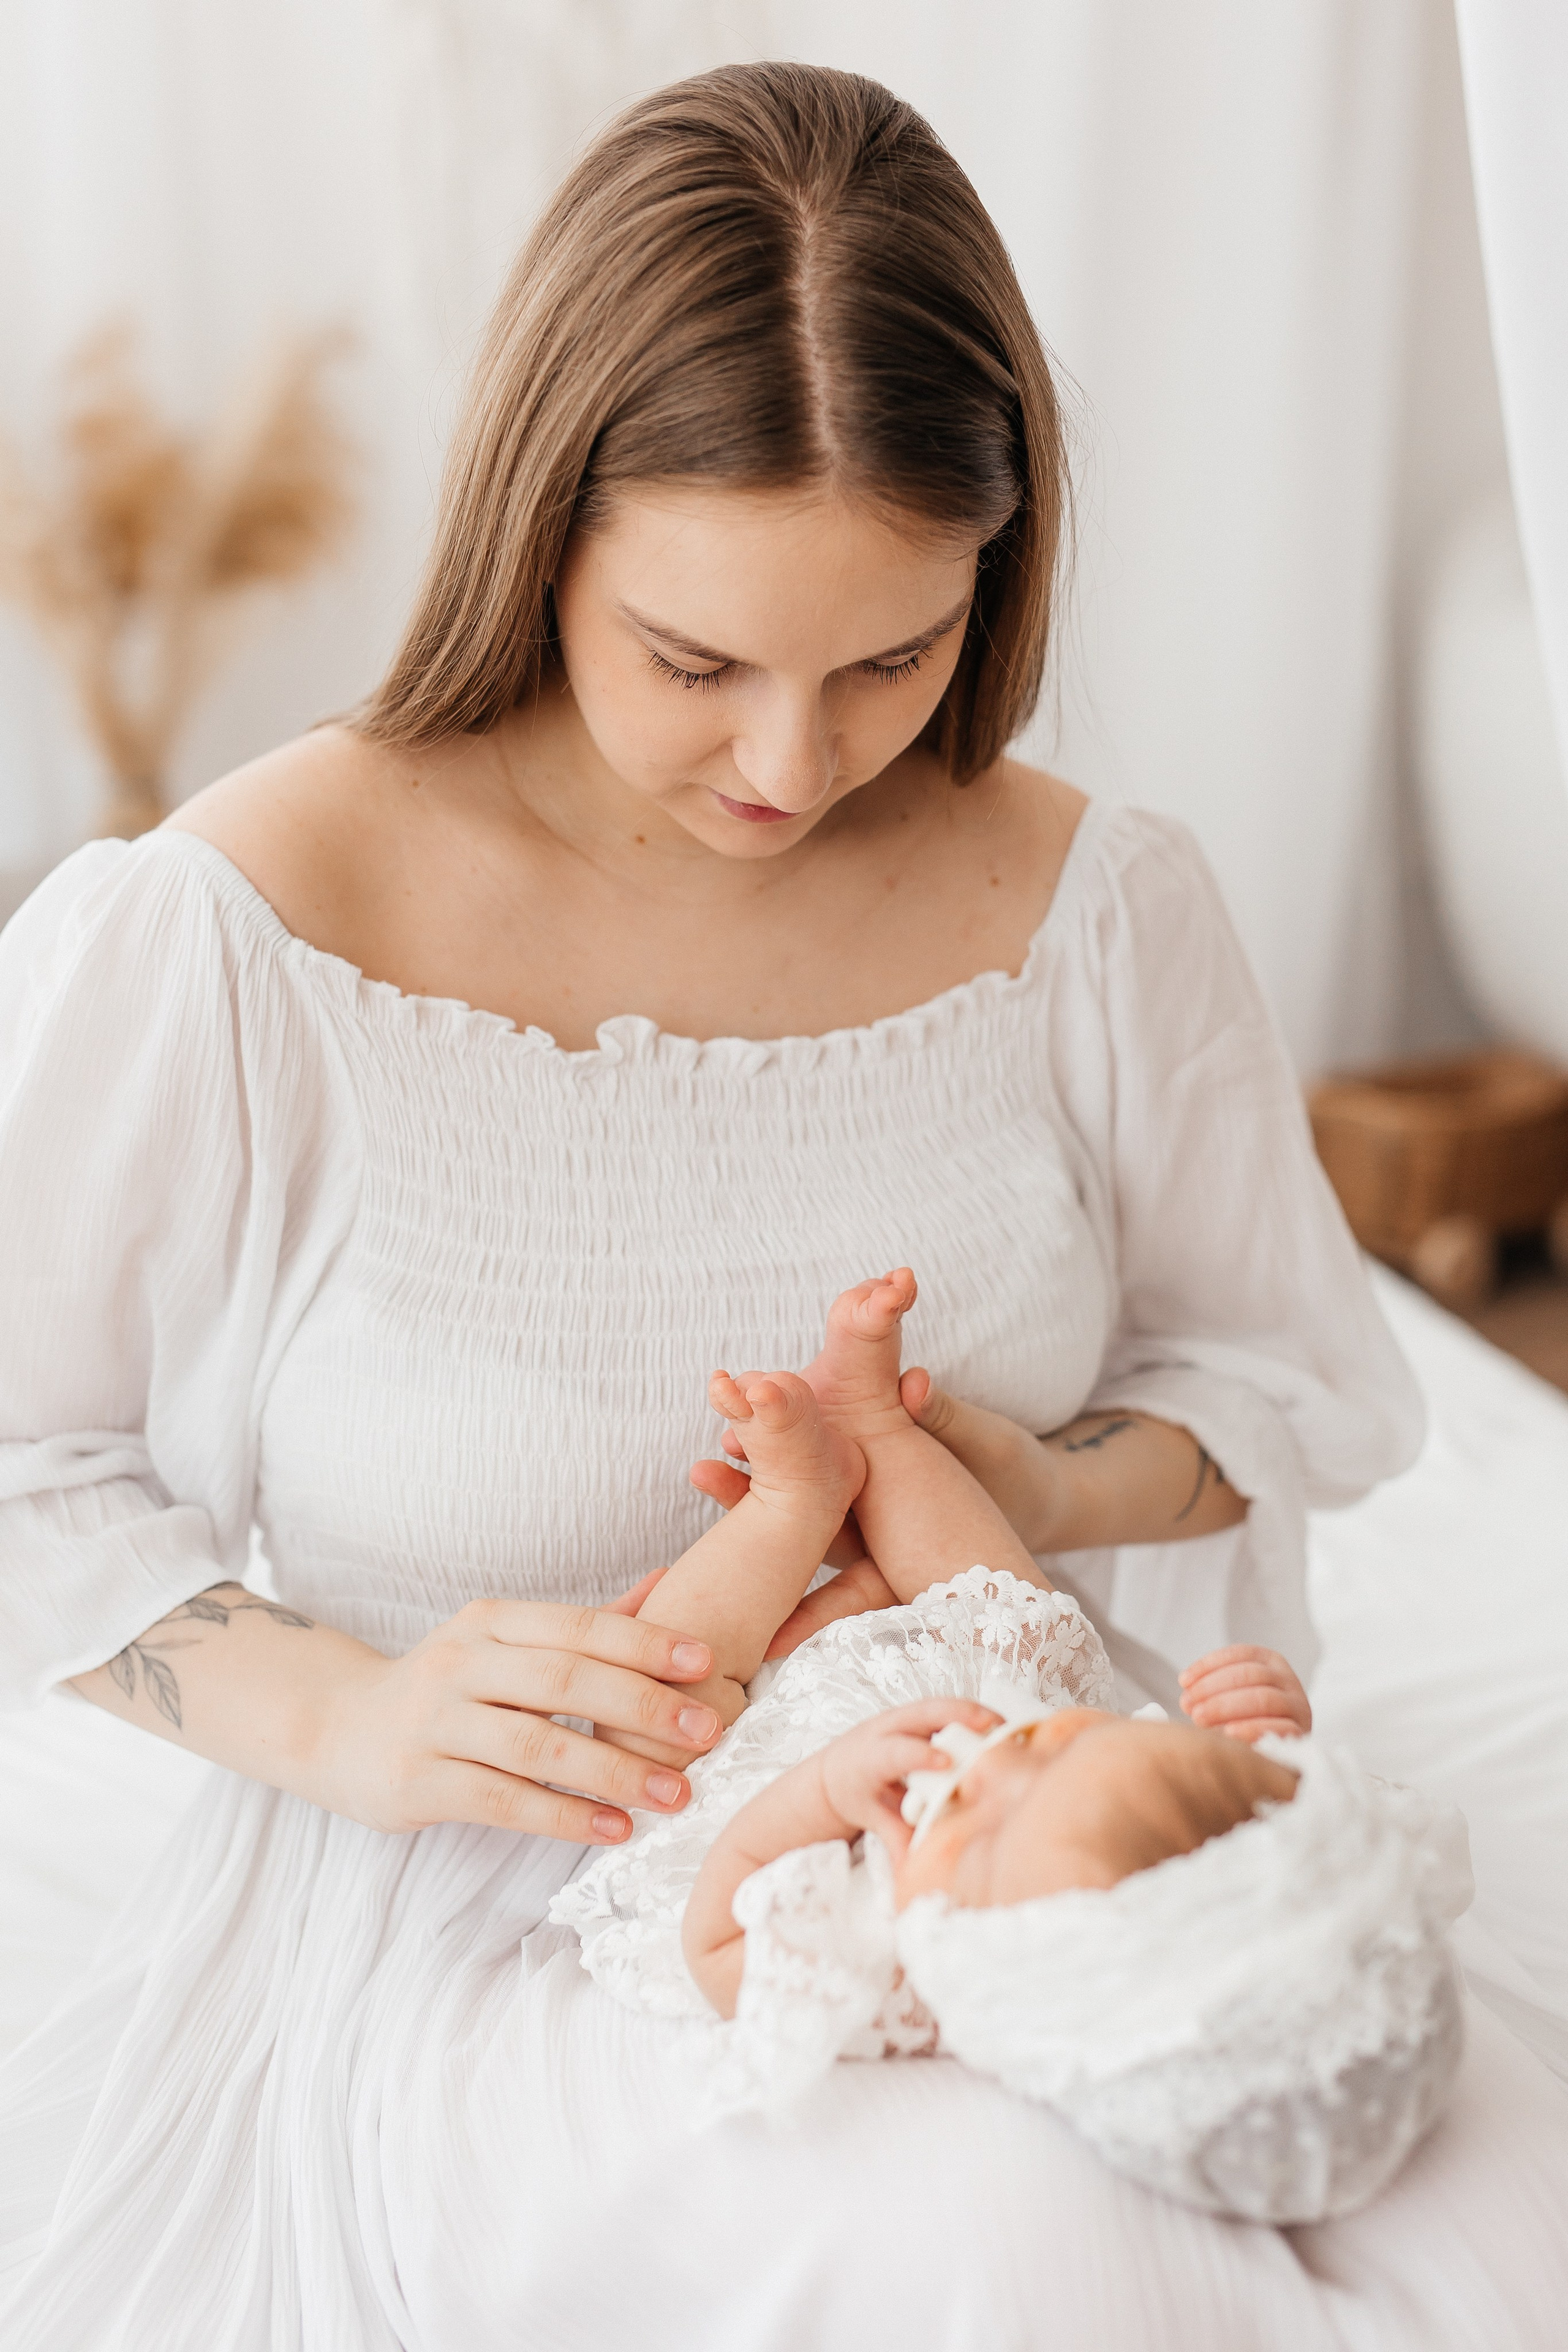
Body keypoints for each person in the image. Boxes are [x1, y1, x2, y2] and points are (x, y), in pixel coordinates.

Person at [0, 58, 1437, 2350]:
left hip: (1041, 1830)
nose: (795, 765)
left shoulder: (1094, 907)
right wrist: (348, 1722)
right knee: (1006, 2252)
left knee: (1452, 2203)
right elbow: (24, 1464)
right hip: (522, 1912)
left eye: (895, 655)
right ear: (538, 528)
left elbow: (1274, 1387)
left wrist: (1032, 1483)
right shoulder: (241, 934)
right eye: (695, 662)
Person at [552, 1268, 1468, 2228]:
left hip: (752, 1778)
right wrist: (1267, 1731)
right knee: (1016, 1609)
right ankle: (874, 1424)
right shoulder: (1135, 1839)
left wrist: (825, 1787)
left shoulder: (896, 1981)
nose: (988, 1765)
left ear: (1005, 1976)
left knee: (653, 1710)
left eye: (983, 1838)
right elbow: (1263, 1813)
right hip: (946, 1674)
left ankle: (791, 1502)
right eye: (1066, 1751)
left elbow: (713, 1937)